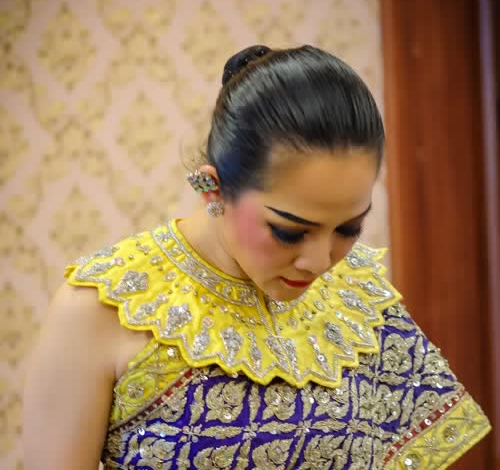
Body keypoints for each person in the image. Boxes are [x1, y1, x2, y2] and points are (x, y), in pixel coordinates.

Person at [23, 45, 490, 469]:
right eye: (289, 231)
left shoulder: (360, 298)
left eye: (349, 228)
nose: (320, 261)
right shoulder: (102, 310)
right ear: (213, 188)